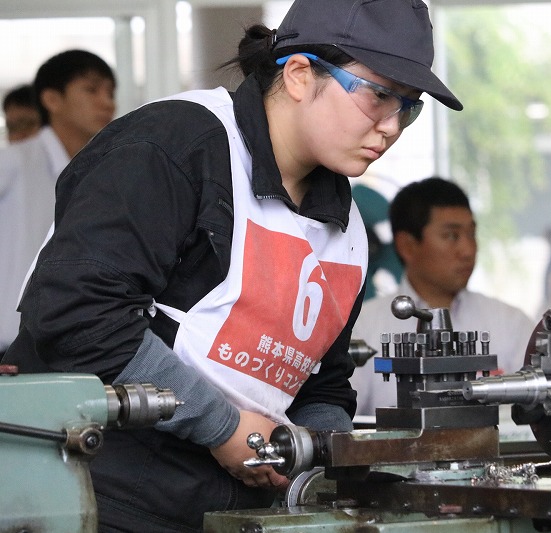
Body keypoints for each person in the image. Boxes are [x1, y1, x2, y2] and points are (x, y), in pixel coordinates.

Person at [2, 1, 462, 531]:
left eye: (409, 107)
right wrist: (222, 427)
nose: (392, 126)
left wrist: (310, 451)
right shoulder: (175, 147)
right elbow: (78, 312)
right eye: (378, 95)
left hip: (229, 513)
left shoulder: (344, 232)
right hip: (92, 496)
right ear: (299, 74)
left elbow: (324, 382)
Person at [350, 177, 535, 416]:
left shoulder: (510, 324)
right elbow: (345, 420)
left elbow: (539, 408)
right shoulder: (363, 329)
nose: (468, 250)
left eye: (472, 234)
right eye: (451, 236)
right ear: (407, 246)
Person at [0, 50, 116, 356]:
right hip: (9, 343)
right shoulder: (14, 161)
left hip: (69, 341)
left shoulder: (104, 168)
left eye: (110, 92)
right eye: (92, 90)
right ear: (52, 99)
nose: (107, 102)